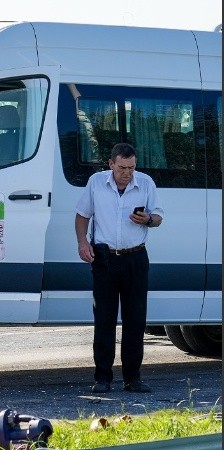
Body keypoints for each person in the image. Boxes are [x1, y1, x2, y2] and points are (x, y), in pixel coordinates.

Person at [75, 142, 164, 394]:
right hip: (104, 259)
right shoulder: (96, 183)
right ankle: (102, 378)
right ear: (111, 164)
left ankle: (132, 378)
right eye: (122, 167)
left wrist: (147, 219)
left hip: (135, 258)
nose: (128, 173)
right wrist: (83, 243)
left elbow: (158, 216)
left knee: (135, 320)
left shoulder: (145, 183)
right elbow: (82, 215)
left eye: (132, 167)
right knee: (104, 319)